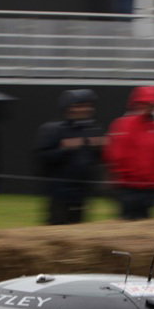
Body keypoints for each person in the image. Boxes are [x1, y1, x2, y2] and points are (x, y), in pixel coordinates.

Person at [34, 88, 105, 225]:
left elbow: (95, 160)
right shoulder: (52, 130)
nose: (85, 109)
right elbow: (42, 158)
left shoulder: (93, 130)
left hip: (82, 193)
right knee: (56, 229)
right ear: (68, 108)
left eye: (88, 106)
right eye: (80, 106)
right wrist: (65, 149)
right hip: (59, 194)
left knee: (78, 230)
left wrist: (100, 147)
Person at [105, 85, 154, 220]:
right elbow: (115, 155)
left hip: (149, 189)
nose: (153, 107)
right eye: (149, 103)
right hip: (129, 188)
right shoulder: (124, 124)